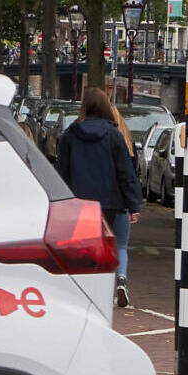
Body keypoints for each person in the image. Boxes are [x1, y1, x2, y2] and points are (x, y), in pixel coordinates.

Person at [58, 85, 144, 308]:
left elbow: (62, 170)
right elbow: (125, 172)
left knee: (83, 246)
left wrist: (61, 200)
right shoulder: (114, 135)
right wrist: (133, 203)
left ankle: (86, 289)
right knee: (112, 245)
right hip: (109, 201)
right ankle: (115, 284)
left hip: (79, 200)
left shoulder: (70, 134)